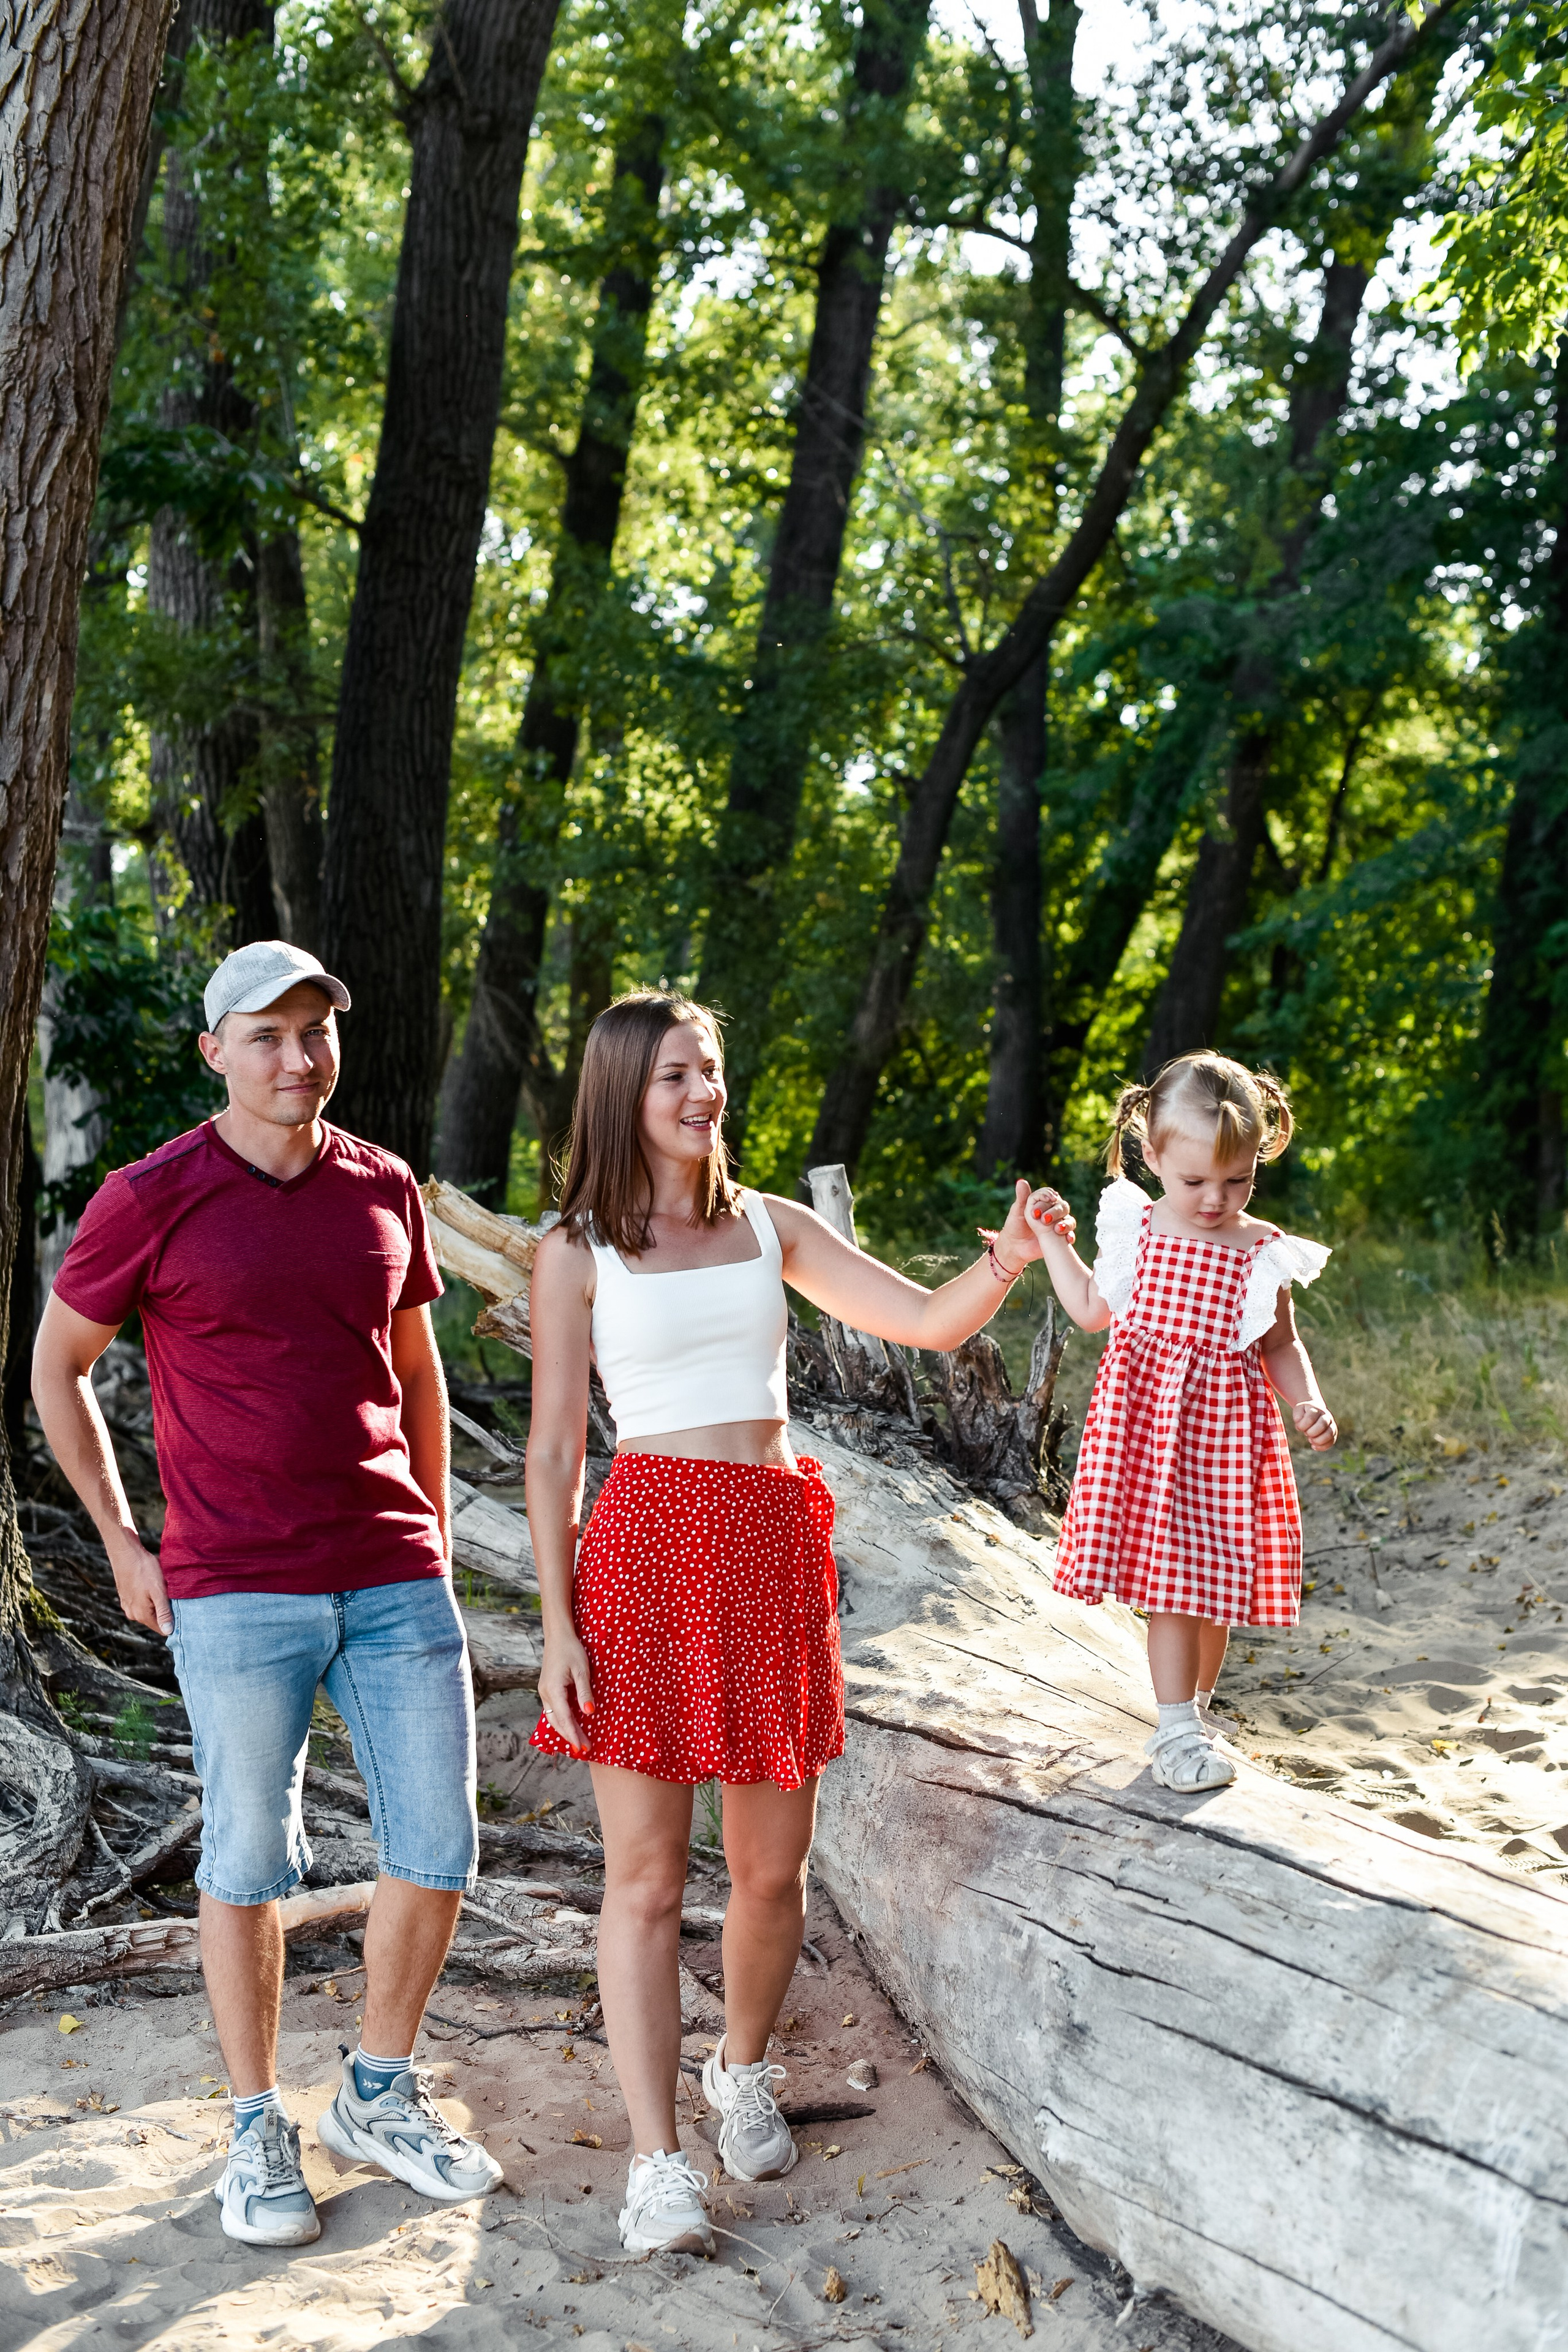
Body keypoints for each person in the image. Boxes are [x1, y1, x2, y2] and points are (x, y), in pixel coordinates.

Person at [526, 990, 1060, 2255]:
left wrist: (1007, 1262)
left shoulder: (766, 1226)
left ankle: (741, 2068)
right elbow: (552, 1452)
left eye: (710, 1068)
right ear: (620, 1093)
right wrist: (556, 1624)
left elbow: (924, 1321)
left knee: (772, 1872)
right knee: (646, 1881)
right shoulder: (575, 1247)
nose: (701, 1092)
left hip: (769, 1545)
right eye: (672, 1076)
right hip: (644, 1548)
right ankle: (656, 2159)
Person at [31, 939, 500, 2248]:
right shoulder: (152, 1194)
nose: (298, 1059)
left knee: (438, 1845)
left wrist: (438, 1526)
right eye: (268, 1036)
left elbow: (416, 1372)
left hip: (393, 1570)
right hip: (233, 1584)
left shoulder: (384, 1187)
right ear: (215, 1054)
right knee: (245, 1859)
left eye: (316, 1033)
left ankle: (376, 2094)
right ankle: (253, 2123)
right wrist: (126, 1543)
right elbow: (57, 1368)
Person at [1029, 1050, 1337, 1795]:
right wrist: (1051, 1243)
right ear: (1151, 1154)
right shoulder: (1136, 1230)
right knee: (1172, 1586)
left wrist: (1307, 1399)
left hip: (1227, 1440)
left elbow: (1278, 1344)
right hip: (1150, 1434)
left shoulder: (1260, 1249)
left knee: (1217, 1587)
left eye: (1238, 1181)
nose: (1215, 1198)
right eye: (1195, 1181)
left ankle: (1194, 1712)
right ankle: (1173, 1728)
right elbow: (1094, 1312)